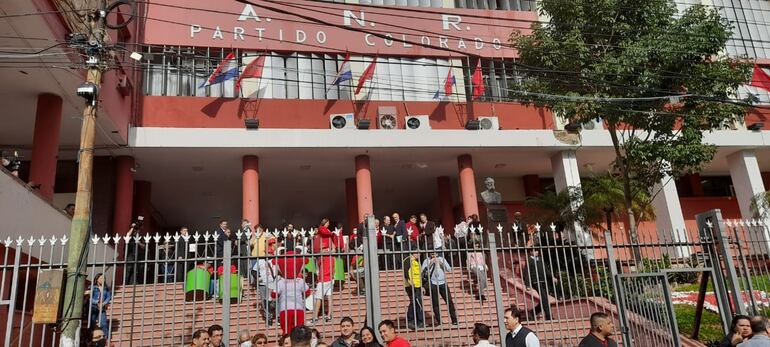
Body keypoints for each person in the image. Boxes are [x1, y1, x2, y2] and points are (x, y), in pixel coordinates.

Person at [421, 251, 458, 326]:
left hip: (442, 283)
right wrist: (429, 265)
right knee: (435, 303)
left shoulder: (442, 259)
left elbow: (449, 269)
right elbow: (422, 272)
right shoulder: (426, 260)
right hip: (433, 283)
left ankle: (454, 320)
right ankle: (439, 321)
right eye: (431, 253)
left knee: (449, 301)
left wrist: (441, 263)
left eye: (435, 253)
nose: (433, 255)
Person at [524, 248, 556, 320]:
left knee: (544, 299)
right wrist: (528, 285)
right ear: (531, 252)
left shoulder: (540, 259)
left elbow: (545, 269)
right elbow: (527, 273)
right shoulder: (529, 260)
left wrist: (552, 277)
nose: (537, 252)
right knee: (544, 298)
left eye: (537, 250)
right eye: (535, 250)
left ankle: (532, 312)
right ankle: (548, 316)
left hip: (544, 281)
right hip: (536, 282)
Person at [402, 243, 424, 330]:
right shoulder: (408, 260)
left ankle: (419, 321)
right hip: (411, 285)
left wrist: (421, 286)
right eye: (418, 252)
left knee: (417, 303)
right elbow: (406, 272)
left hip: (417, 285)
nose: (419, 254)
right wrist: (410, 282)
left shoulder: (416, 261)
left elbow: (418, 275)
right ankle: (411, 320)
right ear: (413, 252)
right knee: (415, 302)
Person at [311, 248, 335, 324]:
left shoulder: (322, 257)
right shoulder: (332, 257)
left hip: (323, 279)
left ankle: (315, 317)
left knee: (318, 298)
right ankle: (329, 315)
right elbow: (333, 269)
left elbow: (318, 265)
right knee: (329, 297)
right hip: (330, 278)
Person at [87, 273, 111, 339]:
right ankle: (89, 337)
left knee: (104, 323)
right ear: (97, 279)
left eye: (104, 278)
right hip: (93, 307)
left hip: (102, 308)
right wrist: (97, 302)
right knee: (91, 322)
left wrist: (103, 303)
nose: (102, 280)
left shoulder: (106, 288)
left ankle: (107, 338)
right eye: (101, 278)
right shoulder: (92, 287)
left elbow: (108, 297)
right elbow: (89, 297)